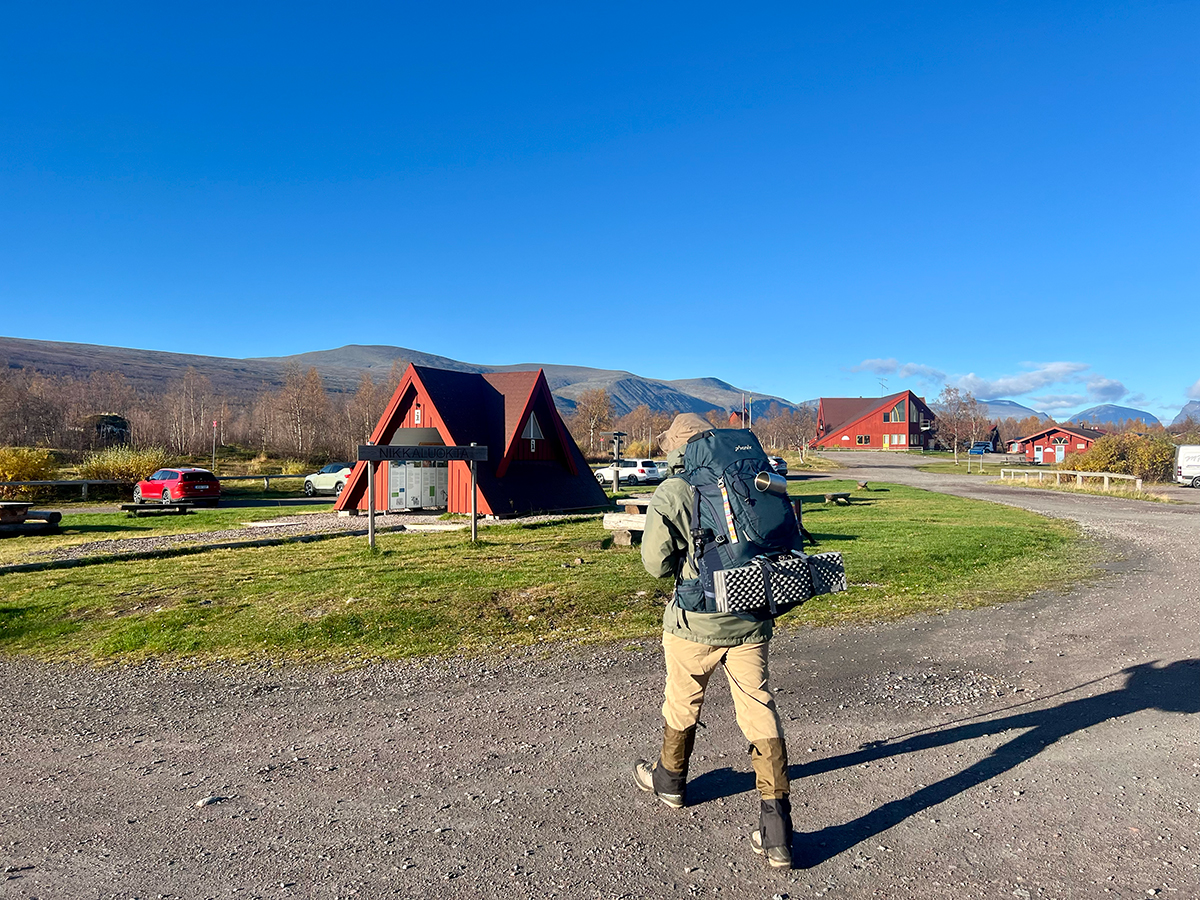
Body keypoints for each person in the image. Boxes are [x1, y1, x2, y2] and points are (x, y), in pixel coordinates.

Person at [633, 412, 793, 868]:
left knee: (683, 700)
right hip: (752, 615)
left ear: (676, 448)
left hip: (695, 622)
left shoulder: (674, 491)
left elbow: (657, 565)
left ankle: (670, 782)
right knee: (758, 706)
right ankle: (777, 832)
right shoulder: (758, 476)